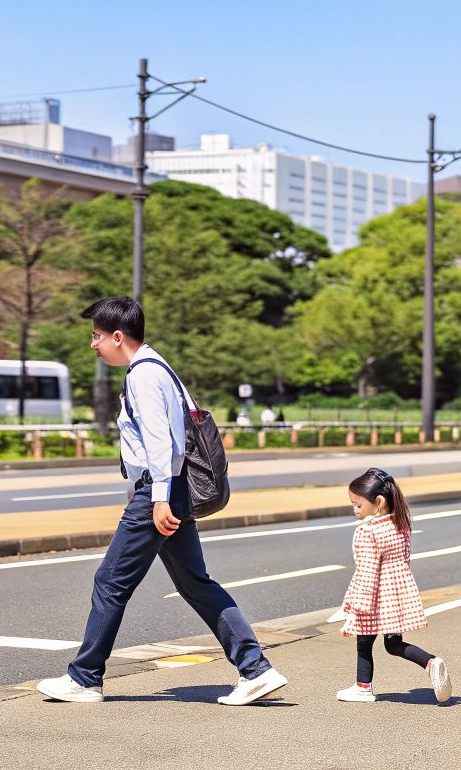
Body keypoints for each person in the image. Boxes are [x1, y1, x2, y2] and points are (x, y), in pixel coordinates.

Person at [36, 296, 287, 706]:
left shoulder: (143, 375)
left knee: (110, 581)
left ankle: (84, 678)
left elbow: (161, 442)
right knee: (194, 583)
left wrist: (156, 498)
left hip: (161, 490)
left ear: (119, 337)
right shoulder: (160, 368)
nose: (93, 345)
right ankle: (256, 669)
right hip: (172, 489)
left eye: (97, 337)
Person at [336, 467, 450, 705]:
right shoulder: (401, 523)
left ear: (378, 502)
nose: (354, 509)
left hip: (375, 595)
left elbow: (367, 571)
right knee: (393, 644)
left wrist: (359, 605)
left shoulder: (367, 531)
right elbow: (404, 558)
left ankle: (362, 688)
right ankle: (430, 662)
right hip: (397, 592)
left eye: (357, 504)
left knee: (364, 643)